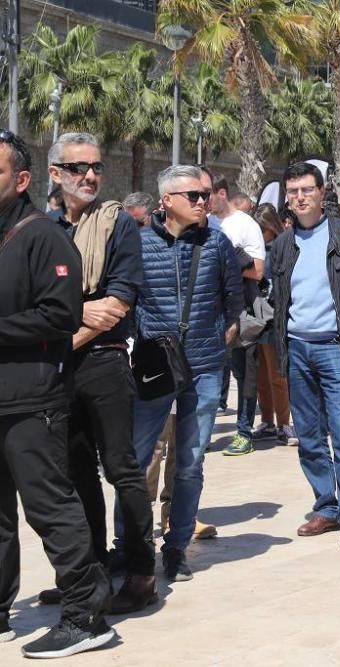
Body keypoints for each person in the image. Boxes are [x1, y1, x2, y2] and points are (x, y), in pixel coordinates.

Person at [0, 130, 117, 658]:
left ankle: (86, 616)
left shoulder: (42, 236)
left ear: (21, 179)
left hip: (32, 399)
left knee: (50, 508)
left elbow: (59, 314)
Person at [45, 132, 155, 614]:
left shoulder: (117, 225)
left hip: (104, 362)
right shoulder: (44, 230)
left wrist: (63, 336)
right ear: (55, 175)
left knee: (121, 469)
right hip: (56, 373)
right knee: (76, 474)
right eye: (76, 168)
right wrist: (74, 314)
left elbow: (117, 302)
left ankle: (141, 573)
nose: (89, 176)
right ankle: (90, 572)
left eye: (94, 167)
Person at [129, 165, 243, 581]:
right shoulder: (139, 244)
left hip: (205, 367)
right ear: (166, 202)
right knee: (138, 460)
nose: (202, 201)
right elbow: (128, 298)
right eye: (193, 195)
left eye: (205, 195)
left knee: (190, 462)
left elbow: (234, 298)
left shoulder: (218, 243)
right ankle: (130, 546)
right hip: (155, 367)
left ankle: (176, 547)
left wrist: (220, 334)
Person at [270, 162, 340, 546]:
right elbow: (280, 297)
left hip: (336, 348)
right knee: (309, 435)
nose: (300, 197)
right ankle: (326, 507)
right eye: (293, 192)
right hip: (297, 348)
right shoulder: (284, 244)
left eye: (306, 190)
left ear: (321, 193)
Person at [208, 174, 266, 457]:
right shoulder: (203, 222)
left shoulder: (245, 224)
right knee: (209, 373)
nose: (200, 201)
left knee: (245, 374)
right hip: (207, 311)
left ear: (221, 193)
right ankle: (202, 432)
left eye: (205, 194)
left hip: (241, 309)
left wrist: (223, 264)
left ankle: (244, 432)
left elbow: (257, 271)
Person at [253, 204, 296, 444]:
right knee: (261, 375)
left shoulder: (281, 249)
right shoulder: (259, 249)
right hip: (257, 317)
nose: (259, 233)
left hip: (275, 319)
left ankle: (284, 423)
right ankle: (268, 420)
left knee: (277, 375)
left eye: (262, 228)